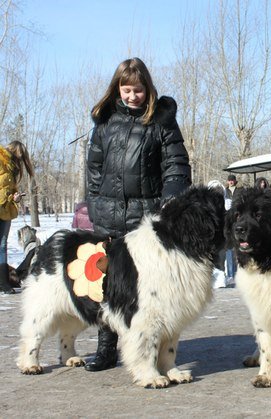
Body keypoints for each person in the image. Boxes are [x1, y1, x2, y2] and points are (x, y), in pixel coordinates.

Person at [85, 57, 191, 372]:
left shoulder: (161, 120)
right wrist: (92, 203)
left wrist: (169, 201)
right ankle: (106, 348)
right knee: (107, 285)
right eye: (127, 89)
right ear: (117, 88)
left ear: (148, 89)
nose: (133, 96)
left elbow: (176, 165)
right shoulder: (105, 121)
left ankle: (156, 348)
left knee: (151, 289)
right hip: (108, 217)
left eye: (139, 90)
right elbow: (93, 168)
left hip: (147, 220)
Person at [0, 141, 34, 294]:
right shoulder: (1, 159)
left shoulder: (12, 168)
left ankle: (3, 282)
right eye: (18, 157)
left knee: (2, 246)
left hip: (6, 210)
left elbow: (9, 189)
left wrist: (15, 197)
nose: (19, 162)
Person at [224, 174, 242, 282]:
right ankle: (231, 274)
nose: (231, 182)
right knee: (229, 249)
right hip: (228, 220)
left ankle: (238, 272)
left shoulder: (239, 191)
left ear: (235, 181)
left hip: (238, 219)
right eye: (229, 180)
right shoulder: (224, 191)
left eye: (232, 180)